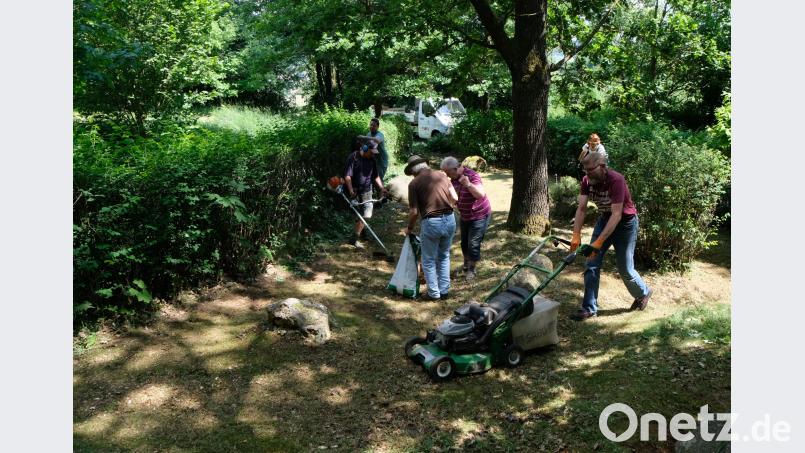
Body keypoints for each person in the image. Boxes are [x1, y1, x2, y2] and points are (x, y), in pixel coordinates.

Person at [569, 151, 652, 321]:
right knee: (591, 263)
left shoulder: (616, 180)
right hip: (605, 219)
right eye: (585, 170)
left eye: (590, 170)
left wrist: (599, 241)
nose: (587, 174)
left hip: (625, 224)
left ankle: (643, 292)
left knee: (625, 269)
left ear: (602, 166)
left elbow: (617, 214)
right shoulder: (586, 181)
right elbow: (582, 208)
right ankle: (589, 308)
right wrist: (576, 234)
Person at [404, 155, 458, 300]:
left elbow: (414, 212)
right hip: (450, 218)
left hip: (431, 222)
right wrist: (447, 206)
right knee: (444, 256)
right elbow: (455, 198)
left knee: (428, 259)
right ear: (425, 165)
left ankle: (433, 293)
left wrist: (409, 228)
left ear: (413, 171)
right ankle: (444, 291)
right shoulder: (442, 175)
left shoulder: (414, 184)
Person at [440, 156, 492, 281]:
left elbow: (480, 194)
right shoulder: (453, 179)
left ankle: (472, 269)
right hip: (465, 215)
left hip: (479, 215)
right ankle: (466, 264)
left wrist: (468, 184)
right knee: (464, 243)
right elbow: (452, 198)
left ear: (455, 168)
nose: (447, 176)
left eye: (448, 173)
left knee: (473, 243)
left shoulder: (472, 175)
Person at [344, 139, 388, 249]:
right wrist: (350, 190)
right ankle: (355, 238)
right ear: (365, 148)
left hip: (367, 190)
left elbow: (376, 176)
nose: (373, 154)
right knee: (360, 215)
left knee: (366, 214)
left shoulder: (372, 160)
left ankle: (359, 234)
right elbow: (347, 176)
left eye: (374, 152)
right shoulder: (353, 157)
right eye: (371, 152)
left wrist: (381, 188)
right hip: (355, 191)